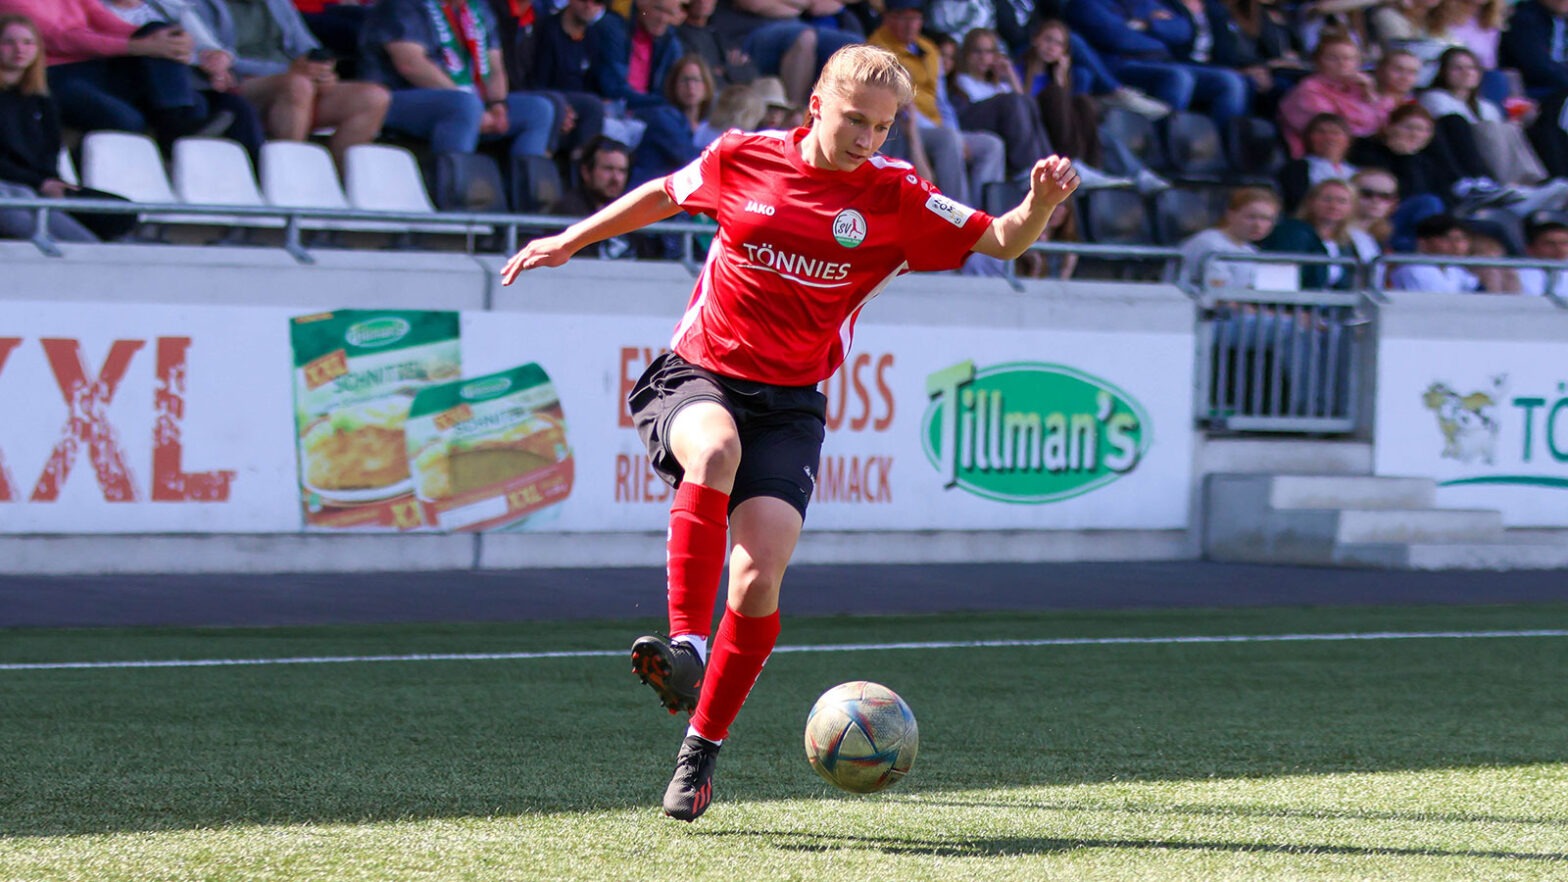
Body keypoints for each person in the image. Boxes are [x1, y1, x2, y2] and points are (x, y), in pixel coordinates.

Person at [498, 43, 1079, 823]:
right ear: (815, 106)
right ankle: (686, 649)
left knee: (757, 580)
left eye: (883, 126)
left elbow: (1003, 240)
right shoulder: (743, 158)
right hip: (697, 374)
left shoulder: (896, 194)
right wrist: (570, 240)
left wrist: (1040, 200)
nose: (868, 139)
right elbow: (662, 196)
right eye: (855, 121)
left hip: (791, 403)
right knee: (713, 449)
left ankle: (702, 746)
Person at [0, 0, 235, 150]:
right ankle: (169, 125)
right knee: (127, 121)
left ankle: (173, 120)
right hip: (54, 74)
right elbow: (61, 39)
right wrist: (140, 46)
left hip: (93, 67)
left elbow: (107, 22)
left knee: (156, 31)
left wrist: (162, 40)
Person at [188, 0, 389, 166]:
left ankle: (336, 182)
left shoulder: (278, 3)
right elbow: (217, 59)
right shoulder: (199, 5)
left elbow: (307, 48)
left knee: (373, 97)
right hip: (237, 85)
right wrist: (288, 71)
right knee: (297, 85)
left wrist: (322, 71)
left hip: (296, 79)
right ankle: (289, 174)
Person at [358, 0, 559, 163]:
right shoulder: (402, 5)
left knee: (538, 110)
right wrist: (474, 105)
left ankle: (526, 203)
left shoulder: (478, 9)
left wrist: (497, 105)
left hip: (469, 101)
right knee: (463, 106)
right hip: (395, 99)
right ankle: (457, 198)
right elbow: (411, 64)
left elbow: (495, 66)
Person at [869, 0, 1005, 207]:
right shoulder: (877, 49)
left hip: (936, 124)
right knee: (947, 139)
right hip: (906, 127)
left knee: (992, 145)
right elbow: (902, 106)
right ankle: (958, 217)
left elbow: (942, 103)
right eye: (904, 18)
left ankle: (985, 217)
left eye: (915, 18)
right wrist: (950, 135)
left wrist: (957, 134)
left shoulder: (929, 49)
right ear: (888, 18)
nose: (911, 25)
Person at [0, 13, 102, 243]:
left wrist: (49, 180)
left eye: (28, 42)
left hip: (33, 185)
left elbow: (50, 149)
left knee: (110, 219)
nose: (19, 49)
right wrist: (39, 182)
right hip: (13, 185)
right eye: (8, 42)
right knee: (21, 216)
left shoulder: (43, 100)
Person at [1277, 34, 1395, 157]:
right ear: (1318, 62)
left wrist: (1371, 95)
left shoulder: (1360, 87)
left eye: (1349, 59)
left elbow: (1387, 123)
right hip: (1323, 154)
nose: (1342, 64)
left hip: (1365, 148)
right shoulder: (1308, 90)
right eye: (1333, 58)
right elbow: (1333, 131)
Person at [1260, 177, 1359, 289]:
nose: (1334, 206)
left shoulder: (1345, 243)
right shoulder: (1293, 232)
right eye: (1327, 199)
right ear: (1311, 201)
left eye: (1342, 201)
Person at [1179, 185, 1281, 289]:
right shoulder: (1209, 243)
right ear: (1230, 214)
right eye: (1251, 217)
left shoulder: (1251, 251)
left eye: (1266, 219)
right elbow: (1218, 293)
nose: (1258, 225)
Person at [1278, 111, 1359, 212]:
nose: (1329, 138)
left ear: (1348, 140)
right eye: (1321, 132)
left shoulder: (1356, 172)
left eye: (1335, 133)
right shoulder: (1297, 169)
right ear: (1309, 138)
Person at [1388, 211, 1481, 291]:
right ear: (1423, 242)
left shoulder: (1455, 269)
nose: (1457, 246)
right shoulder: (1414, 269)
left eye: (1461, 239)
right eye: (1448, 239)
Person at [1516, 209, 1568, 295]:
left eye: (1564, 243)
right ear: (1530, 248)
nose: (1559, 248)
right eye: (1550, 244)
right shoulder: (1518, 274)